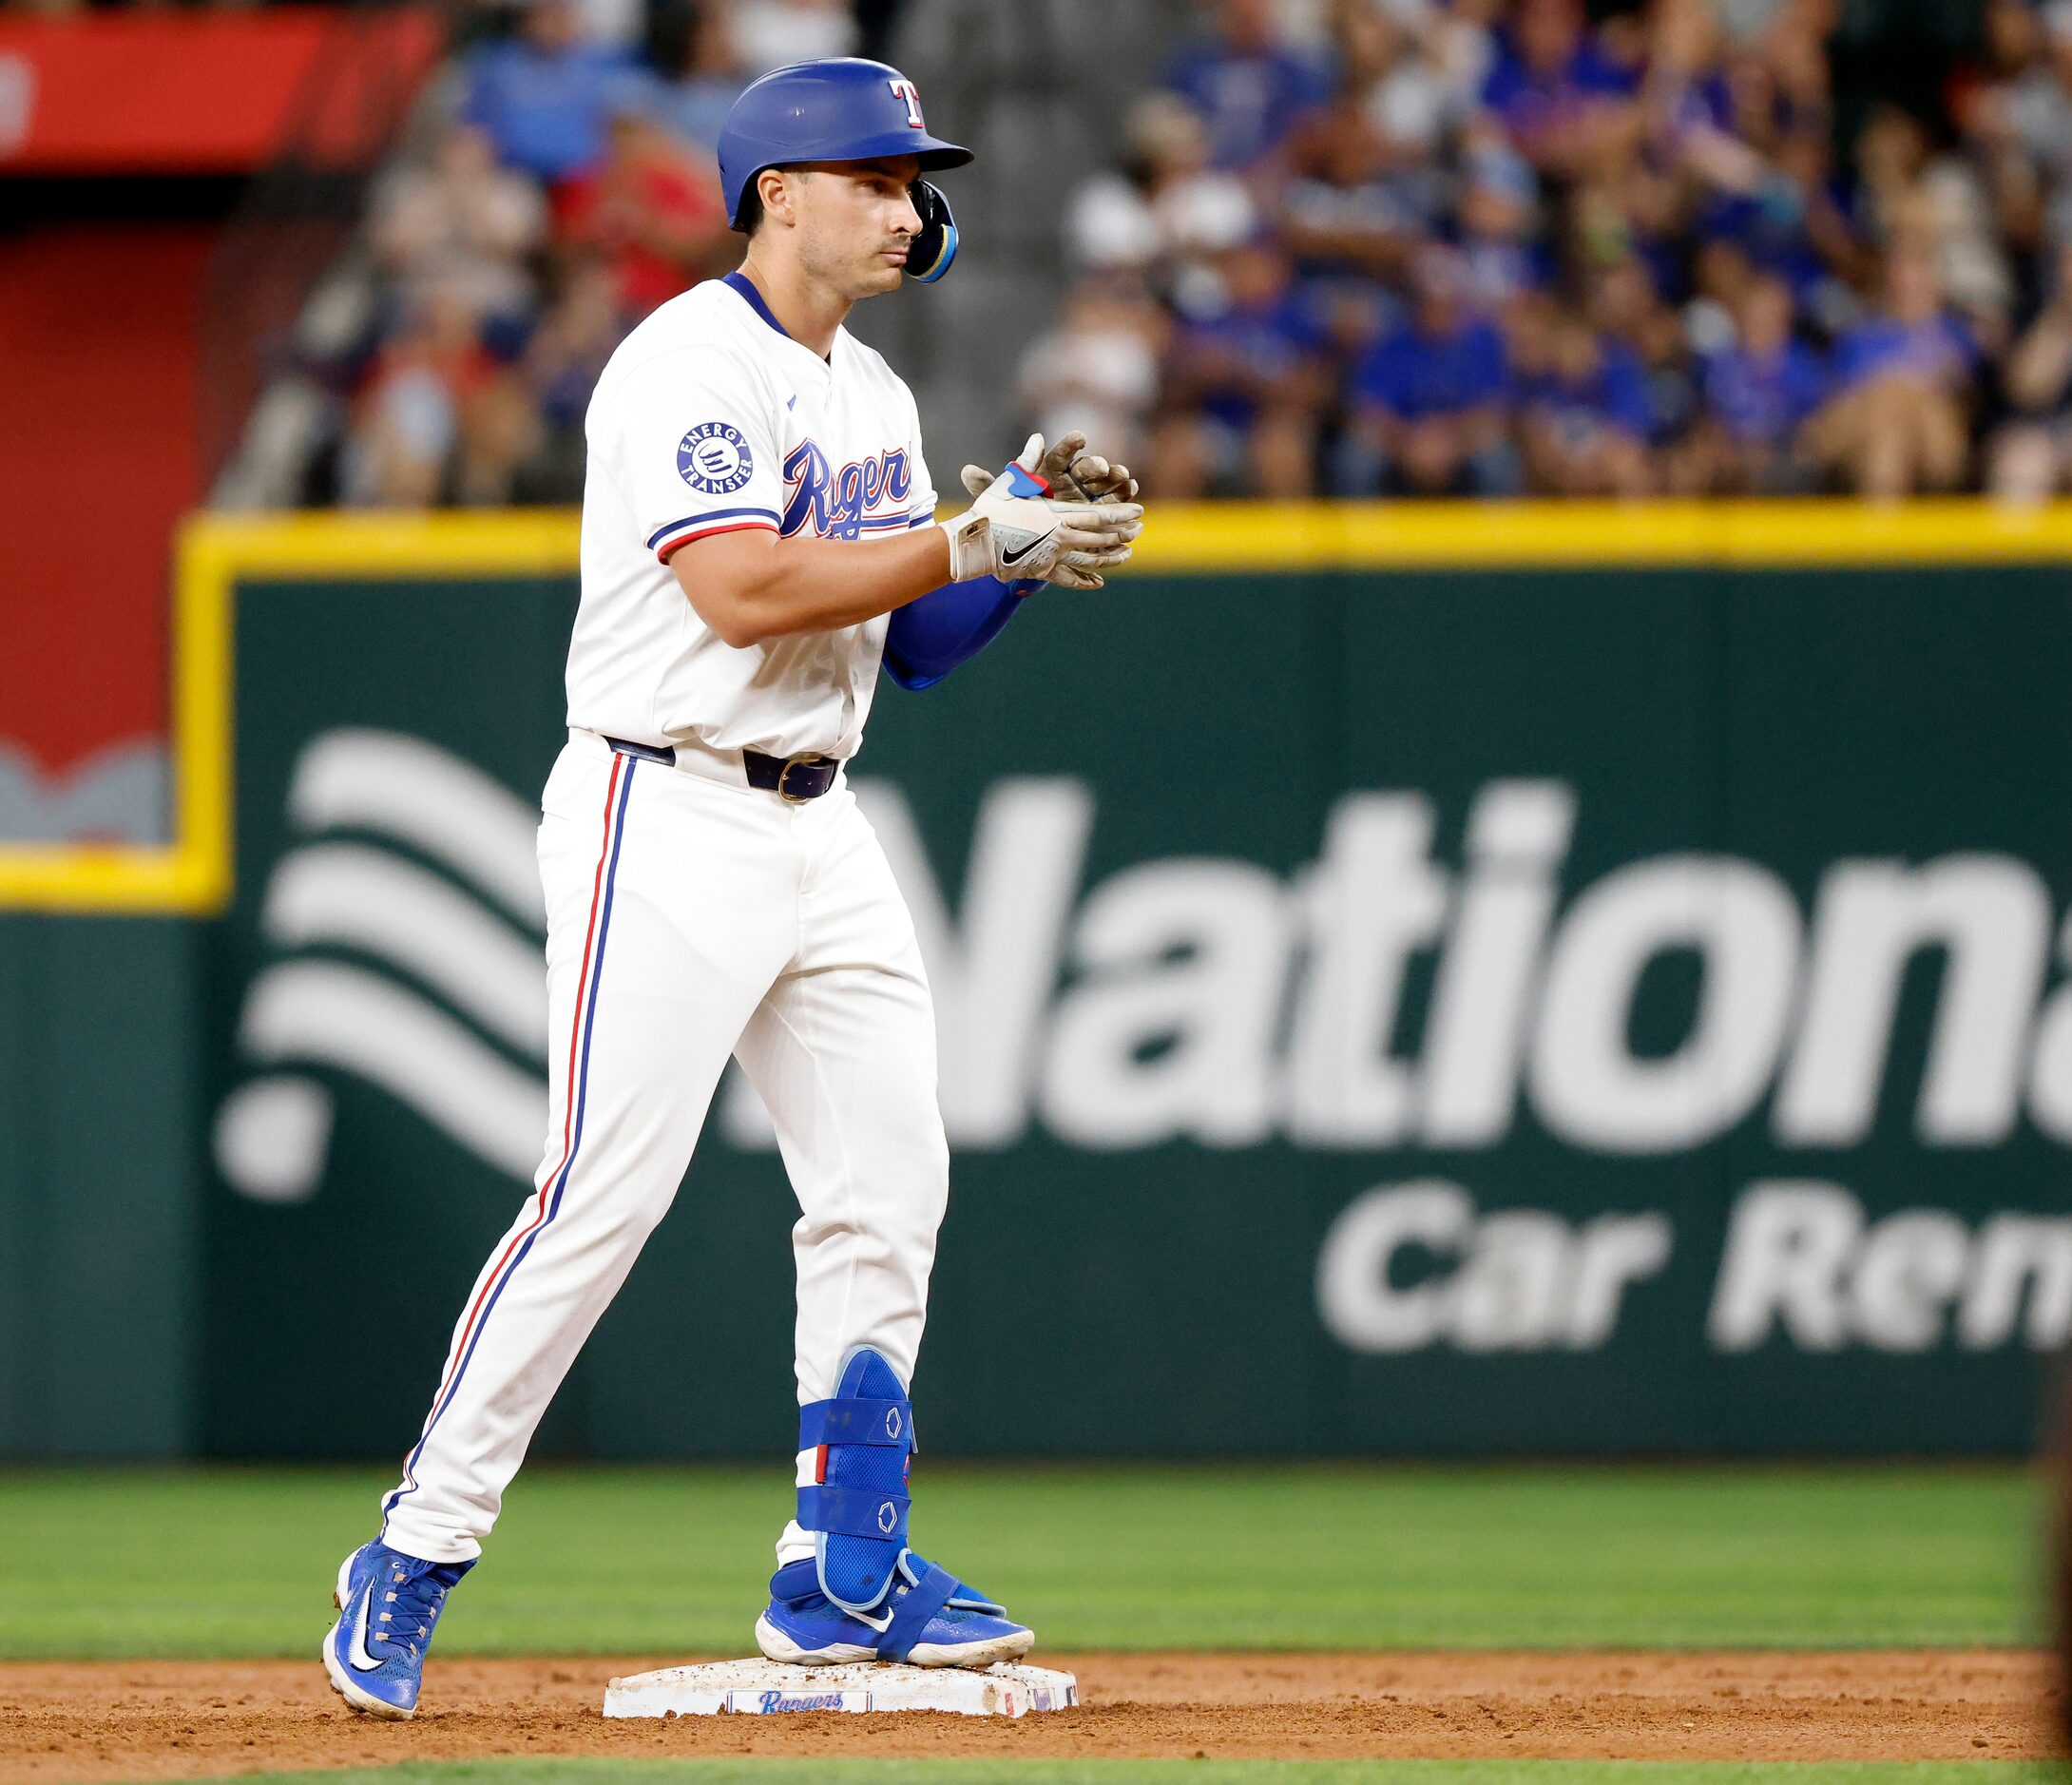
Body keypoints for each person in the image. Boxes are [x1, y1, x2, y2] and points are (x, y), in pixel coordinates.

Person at [319, 57, 1143, 1719]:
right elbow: (751, 589)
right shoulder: (686, 360)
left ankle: (842, 1567)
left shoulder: (876, 395)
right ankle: (412, 1547)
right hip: (663, 803)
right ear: (780, 192)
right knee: (601, 1196)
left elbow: (907, 643)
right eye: (878, 176)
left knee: (890, 1174)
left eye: (915, 180)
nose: (910, 204)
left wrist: (1022, 559)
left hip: (819, 821)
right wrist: (981, 534)